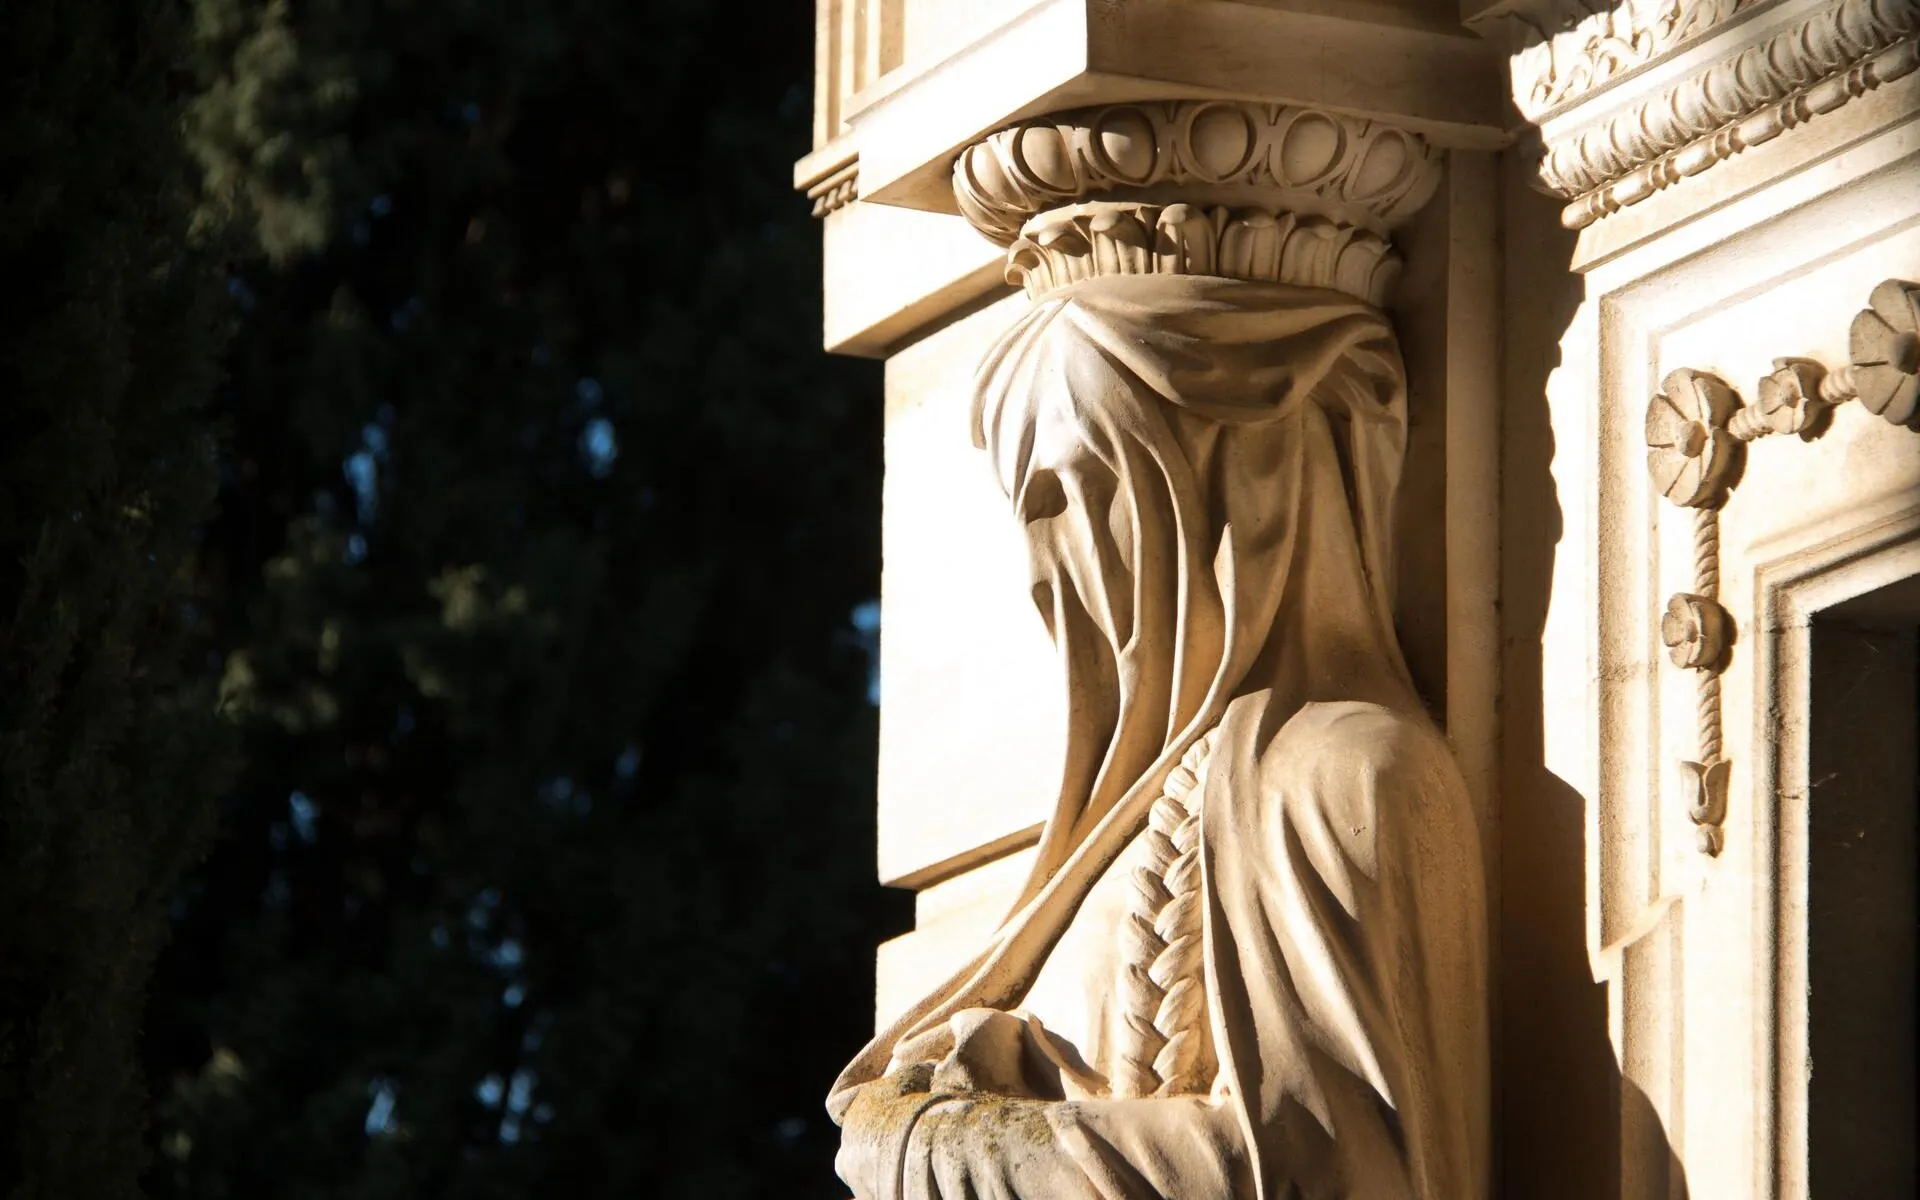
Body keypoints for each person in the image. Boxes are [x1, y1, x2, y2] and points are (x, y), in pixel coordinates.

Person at [831, 273, 1489, 1200]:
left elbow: (1329, 1174)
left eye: (1106, 480)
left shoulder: (1337, 776)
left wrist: (946, 1146)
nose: (1074, 548)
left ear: (1247, 480)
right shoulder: (1118, 823)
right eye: (1044, 504)